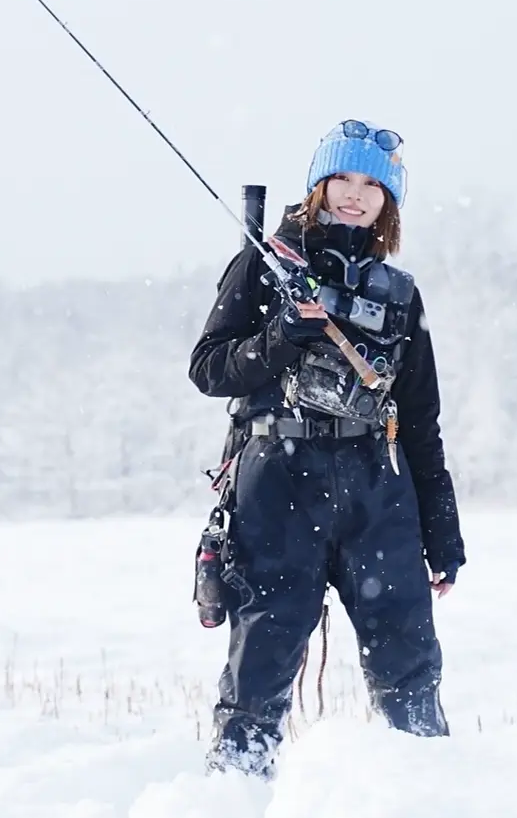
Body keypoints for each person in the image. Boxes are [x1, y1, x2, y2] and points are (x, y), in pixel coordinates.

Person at [188, 119, 465, 779]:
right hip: (278, 487)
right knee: (261, 669)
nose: (354, 194)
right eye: (342, 177)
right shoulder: (265, 264)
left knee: (410, 669)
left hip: (378, 492)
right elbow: (209, 368)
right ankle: (236, 793)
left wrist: (442, 532)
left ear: (388, 201)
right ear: (318, 184)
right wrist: (279, 338)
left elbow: (420, 423)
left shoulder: (400, 294)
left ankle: (428, 791)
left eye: (372, 184)